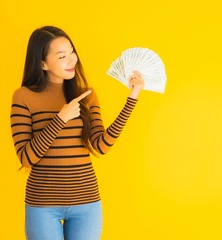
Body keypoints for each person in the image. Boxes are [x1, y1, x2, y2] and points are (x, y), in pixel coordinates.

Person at [10, 26, 144, 240]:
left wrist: (132, 99)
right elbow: (26, 158)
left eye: (72, 52)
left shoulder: (86, 95)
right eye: (62, 56)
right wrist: (60, 119)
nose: (72, 60)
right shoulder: (23, 97)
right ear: (42, 64)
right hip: (43, 204)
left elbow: (101, 145)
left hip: (86, 203)